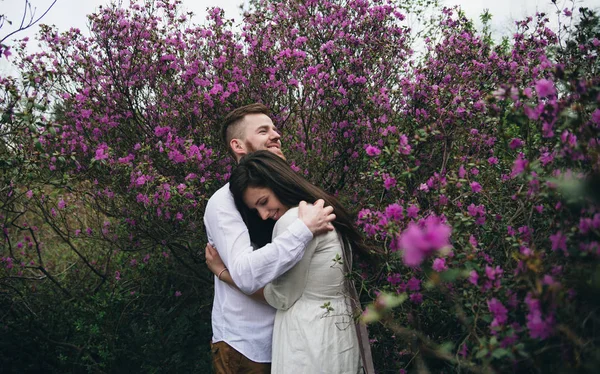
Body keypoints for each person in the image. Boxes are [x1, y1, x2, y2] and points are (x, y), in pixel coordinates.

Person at [207, 150, 374, 374]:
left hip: (309, 336)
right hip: (338, 329)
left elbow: (280, 297)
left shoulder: (293, 221)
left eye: (263, 202)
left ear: (277, 182)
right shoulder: (320, 210)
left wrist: (223, 273)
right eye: (256, 210)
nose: (264, 214)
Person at [203, 103, 336, 374]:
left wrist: (223, 273)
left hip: (291, 338)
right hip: (247, 346)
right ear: (238, 146)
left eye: (274, 128)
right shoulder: (223, 202)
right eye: (263, 131)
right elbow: (246, 273)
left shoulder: (286, 195)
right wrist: (303, 229)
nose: (276, 135)